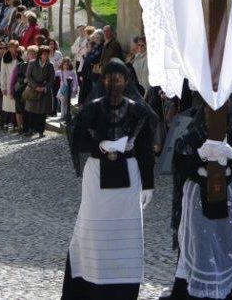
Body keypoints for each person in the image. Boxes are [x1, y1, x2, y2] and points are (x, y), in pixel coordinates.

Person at [62, 58, 156, 300]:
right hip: (97, 175)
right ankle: (90, 283)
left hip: (129, 174)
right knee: (93, 228)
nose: (114, 82)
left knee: (125, 229)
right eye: (109, 78)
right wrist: (99, 143)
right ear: (103, 80)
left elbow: (146, 148)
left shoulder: (138, 110)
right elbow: (77, 140)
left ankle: (122, 286)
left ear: (127, 80)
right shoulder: (92, 108)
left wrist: (149, 183)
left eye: (120, 78)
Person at [164, 103, 232, 300]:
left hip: (227, 200)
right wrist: (200, 156)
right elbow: (180, 165)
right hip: (197, 200)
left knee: (227, 241)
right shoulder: (192, 136)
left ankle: (228, 288)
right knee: (199, 242)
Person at [24, 45, 54, 138]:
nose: (46, 56)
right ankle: (30, 129)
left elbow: (51, 79)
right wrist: (36, 87)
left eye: (47, 54)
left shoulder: (50, 65)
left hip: (44, 91)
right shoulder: (32, 63)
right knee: (32, 111)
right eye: (44, 54)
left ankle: (41, 131)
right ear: (40, 54)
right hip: (33, 90)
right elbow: (28, 76)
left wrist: (45, 88)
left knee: (42, 112)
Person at [0, 40, 18, 131]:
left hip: (17, 84)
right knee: (7, 106)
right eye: (11, 47)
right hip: (8, 83)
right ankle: (5, 123)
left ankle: (15, 124)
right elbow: (2, 73)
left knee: (16, 106)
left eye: (15, 47)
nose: (13, 49)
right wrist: (3, 86)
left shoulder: (19, 56)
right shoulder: (5, 57)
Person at [56, 57, 78, 121]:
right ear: (62, 64)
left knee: (66, 102)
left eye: (67, 64)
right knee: (63, 102)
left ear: (69, 65)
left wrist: (74, 89)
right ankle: (64, 114)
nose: (65, 66)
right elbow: (54, 73)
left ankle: (65, 115)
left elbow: (75, 81)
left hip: (68, 90)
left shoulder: (72, 72)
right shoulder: (61, 71)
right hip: (62, 89)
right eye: (64, 64)